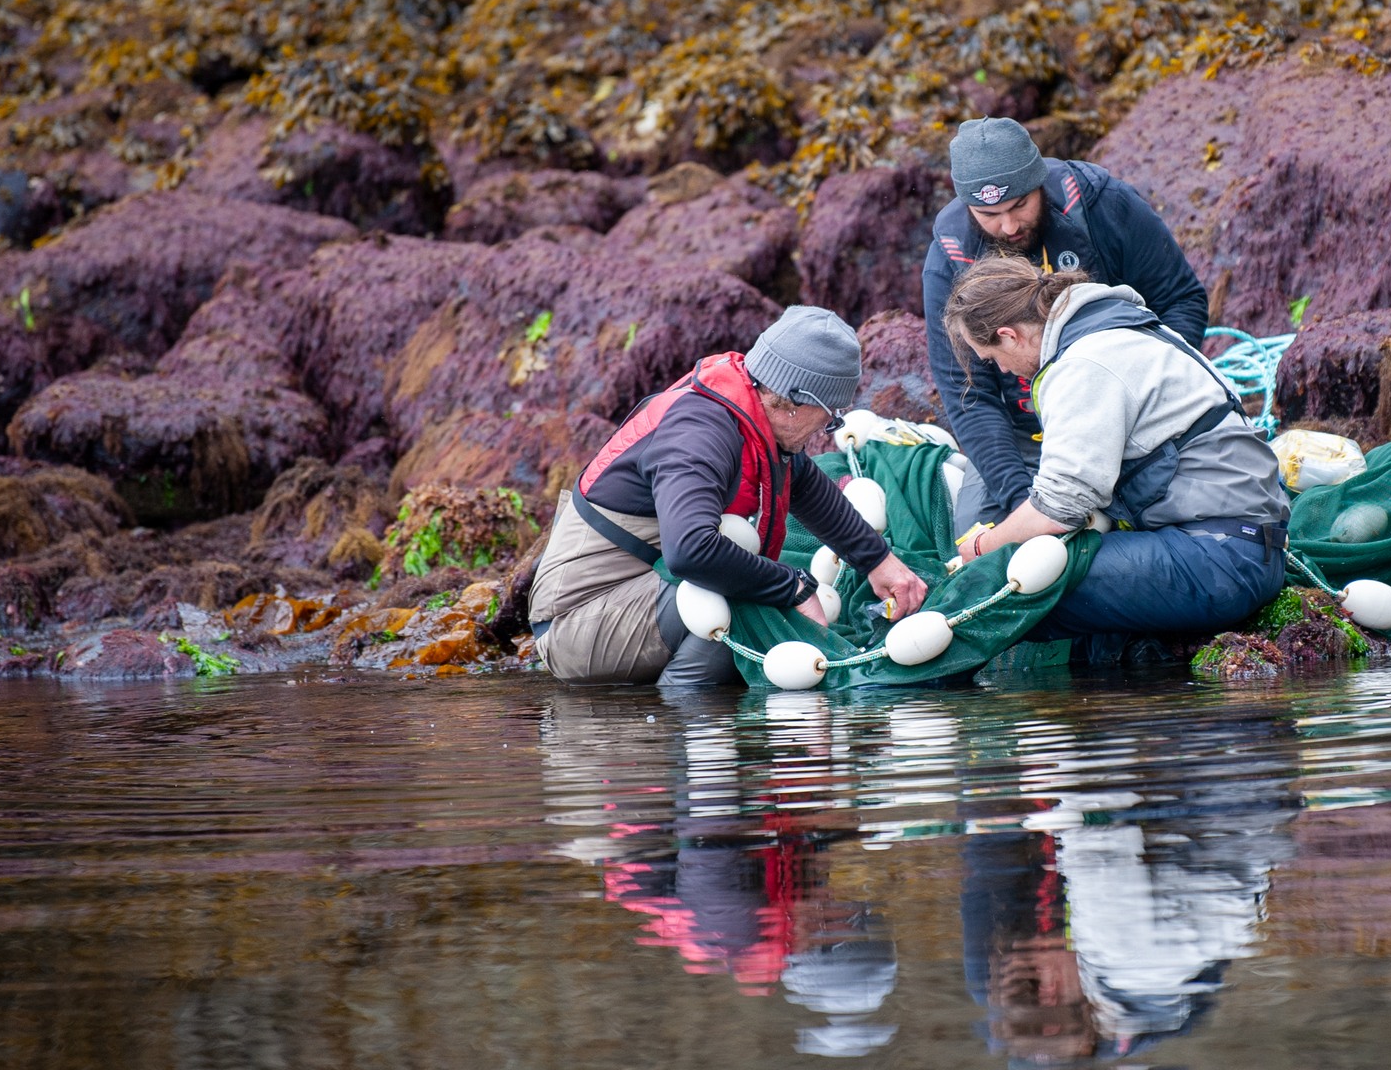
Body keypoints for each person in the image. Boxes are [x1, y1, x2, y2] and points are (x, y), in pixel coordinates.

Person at [528, 306, 929, 685]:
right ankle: (681, 720)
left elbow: (804, 485)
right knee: (742, 600)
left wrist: (878, 561)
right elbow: (691, 552)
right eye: (829, 417)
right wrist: (796, 587)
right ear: (794, 404)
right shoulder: (699, 435)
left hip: (635, 598)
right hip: (576, 625)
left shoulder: (749, 413)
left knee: (747, 578)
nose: (825, 428)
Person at [942, 257, 1287, 641]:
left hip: (1219, 559)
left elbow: (1059, 508)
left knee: (998, 591)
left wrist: (983, 546)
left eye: (993, 359)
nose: (1003, 371)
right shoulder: (1122, 326)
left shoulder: (1084, 364)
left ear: (1009, 335)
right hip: (1248, 547)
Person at [921, 116, 1209, 530]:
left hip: (1130, 413)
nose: (1008, 225)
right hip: (1026, 432)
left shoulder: (1102, 204)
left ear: (1039, 182)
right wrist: (1024, 502)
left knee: (1156, 526)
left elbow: (1181, 300)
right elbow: (967, 393)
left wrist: (1147, 399)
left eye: (1019, 204)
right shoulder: (948, 260)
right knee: (986, 551)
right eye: (989, 214)